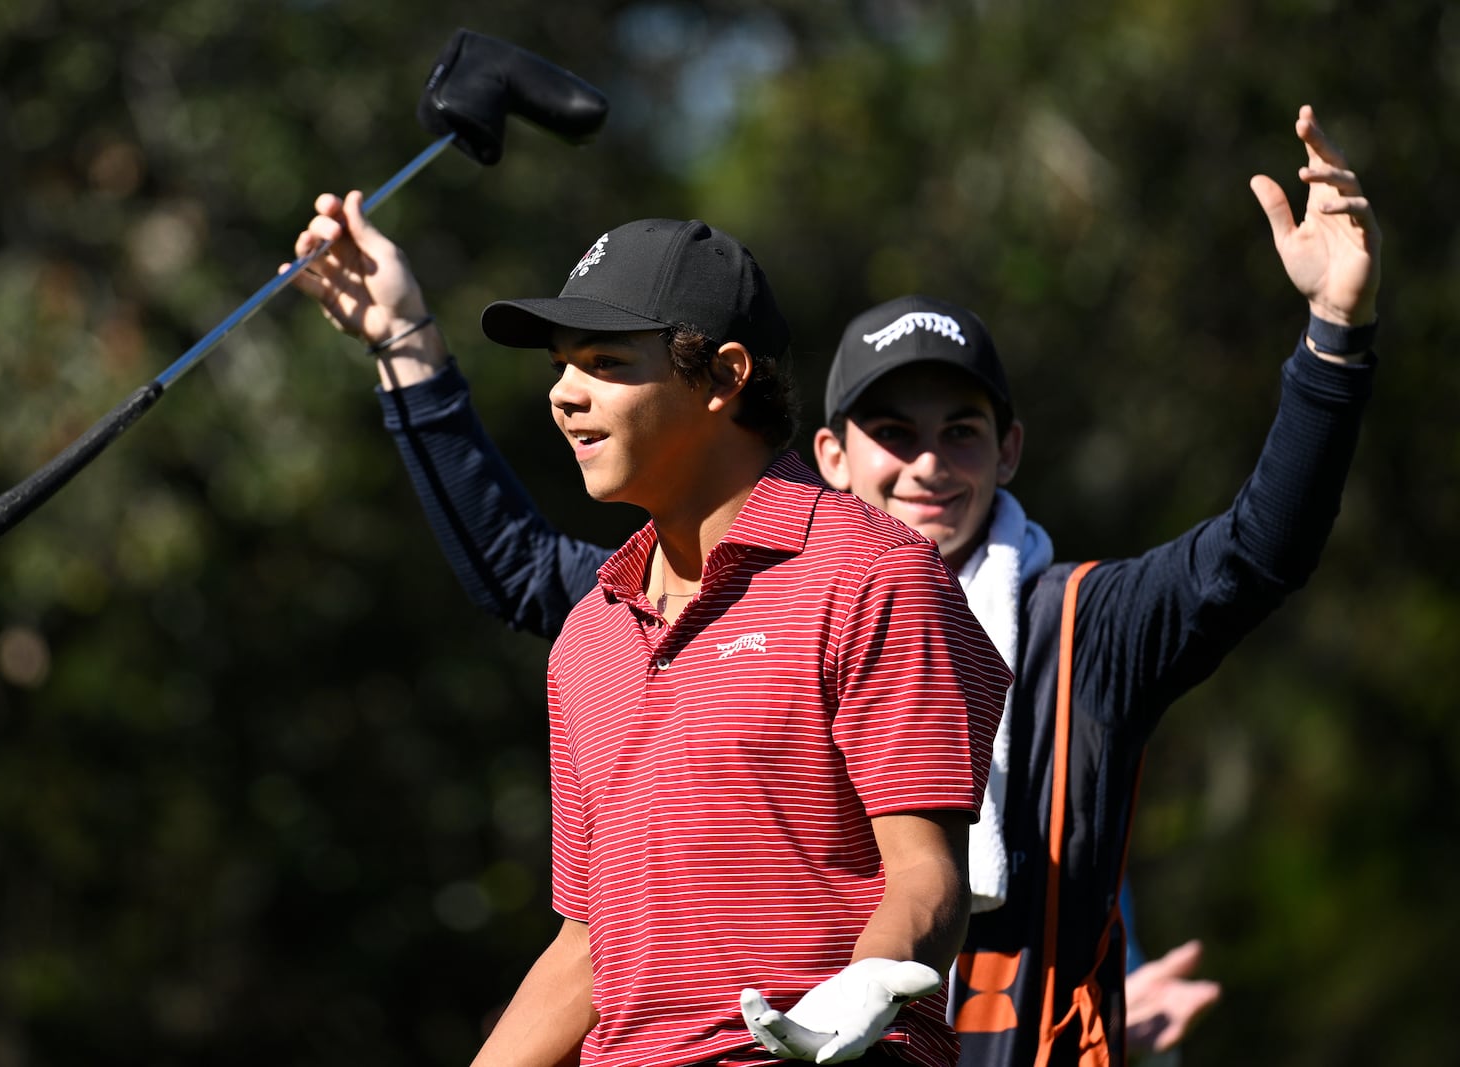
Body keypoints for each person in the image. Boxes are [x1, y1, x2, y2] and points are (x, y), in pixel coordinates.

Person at [288, 103, 1378, 1065]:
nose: (926, 464)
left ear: (1010, 451)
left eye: (961, 432)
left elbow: (1254, 554)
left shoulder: (1065, 620)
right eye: (891, 432)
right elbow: (590, 920)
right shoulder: (625, 613)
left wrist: (1333, 336)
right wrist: (405, 344)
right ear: (831, 451)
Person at [294, 215, 1013, 1066]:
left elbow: (925, 873)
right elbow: (588, 946)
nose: (564, 393)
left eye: (605, 364)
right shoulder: (592, 633)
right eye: (561, 365)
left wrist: (866, 982)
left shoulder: (874, 574)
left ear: (724, 376)